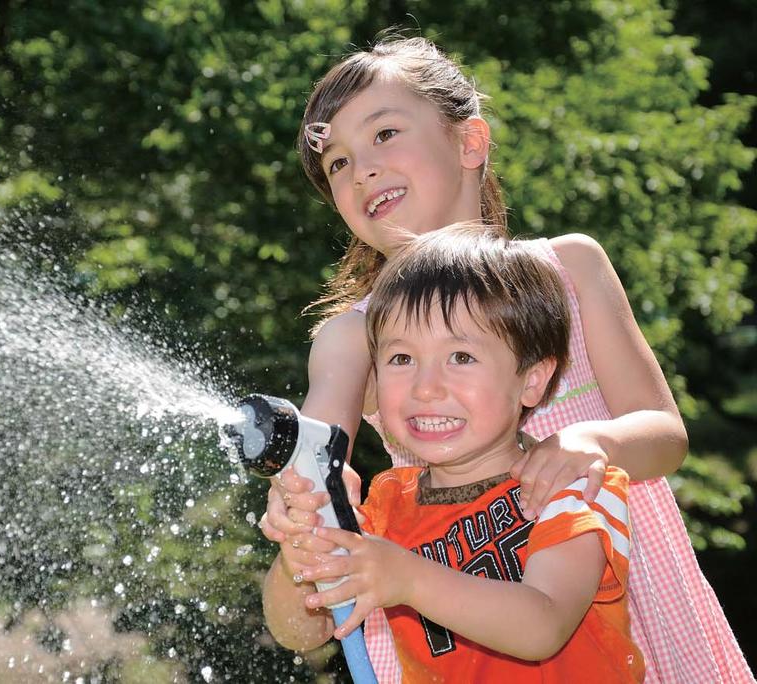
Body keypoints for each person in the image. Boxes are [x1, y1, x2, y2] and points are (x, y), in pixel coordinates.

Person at [259, 34, 752, 683]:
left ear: (469, 142)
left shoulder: (571, 267)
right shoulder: (355, 337)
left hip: (633, 609)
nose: (362, 170)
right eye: (339, 165)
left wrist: (592, 442)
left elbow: (664, 436)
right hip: (463, 629)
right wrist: (304, 504)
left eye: (383, 135)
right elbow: (322, 459)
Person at [264, 226, 644, 681]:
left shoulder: (567, 484)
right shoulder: (385, 508)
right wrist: (299, 550)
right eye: (401, 359)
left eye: (461, 357)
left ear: (532, 380)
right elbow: (300, 631)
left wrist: (407, 577)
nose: (426, 388)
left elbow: (542, 624)